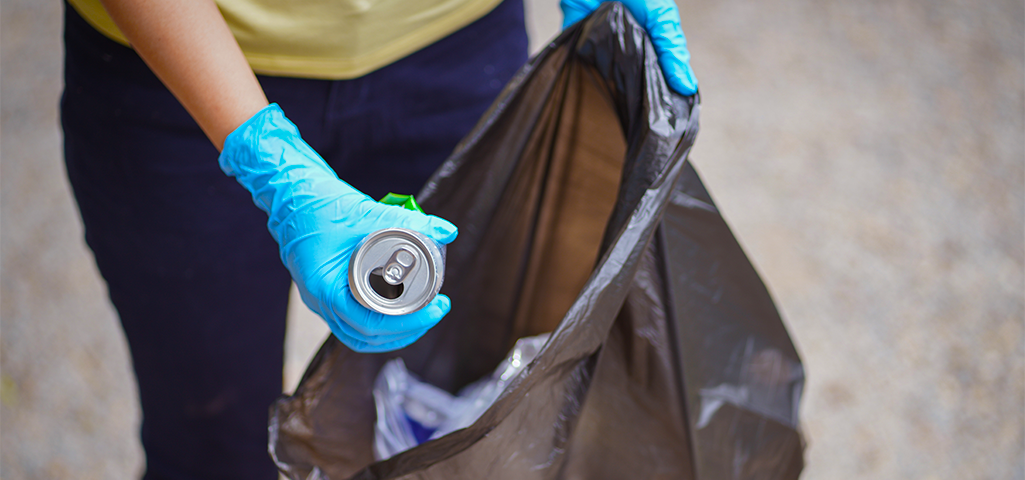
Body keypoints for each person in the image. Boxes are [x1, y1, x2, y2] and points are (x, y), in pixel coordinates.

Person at [60, 0, 697, 477]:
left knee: (475, 411)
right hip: (177, 76)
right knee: (209, 436)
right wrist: (265, 157)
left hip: (457, 51)